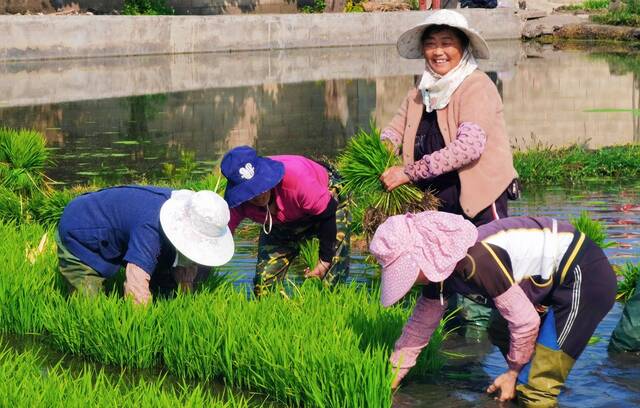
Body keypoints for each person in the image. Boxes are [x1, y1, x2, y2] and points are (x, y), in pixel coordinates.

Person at [369, 211, 616, 406]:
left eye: (410, 271)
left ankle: (535, 384)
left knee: (536, 390)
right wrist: (392, 377)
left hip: (583, 277)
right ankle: (533, 378)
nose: (410, 280)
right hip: (547, 285)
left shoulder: (477, 261)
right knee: (499, 329)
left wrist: (512, 371)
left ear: (426, 255)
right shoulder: (439, 270)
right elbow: (420, 326)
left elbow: (525, 322)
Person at [378, 10, 519, 333]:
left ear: (463, 47)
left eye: (447, 43)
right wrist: (380, 153)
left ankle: (501, 337)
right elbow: (393, 131)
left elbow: (469, 147)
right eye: (431, 44)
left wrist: (408, 172)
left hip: (480, 197)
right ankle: (456, 341)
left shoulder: (476, 86)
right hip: (438, 198)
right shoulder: (420, 92)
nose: (438, 51)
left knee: (492, 269)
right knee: (442, 271)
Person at [56, 185, 234, 304]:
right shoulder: (151, 228)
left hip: (119, 229)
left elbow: (188, 258)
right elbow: (136, 286)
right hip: (80, 230)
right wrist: (142, 326)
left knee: (167, 292)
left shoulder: (180, 213)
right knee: (90, 306)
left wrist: (185, 295)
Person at [221, 146, 349, 296]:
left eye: (260, 186)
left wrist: (325, 260)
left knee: (332, 281)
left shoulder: (297, 180)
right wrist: (193, 273)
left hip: (326, 206)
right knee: (263, 289)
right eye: (249, 192)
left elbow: (328, 213)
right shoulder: (237, 204)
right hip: (280, 220)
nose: (258, 196)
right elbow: (217, 239)